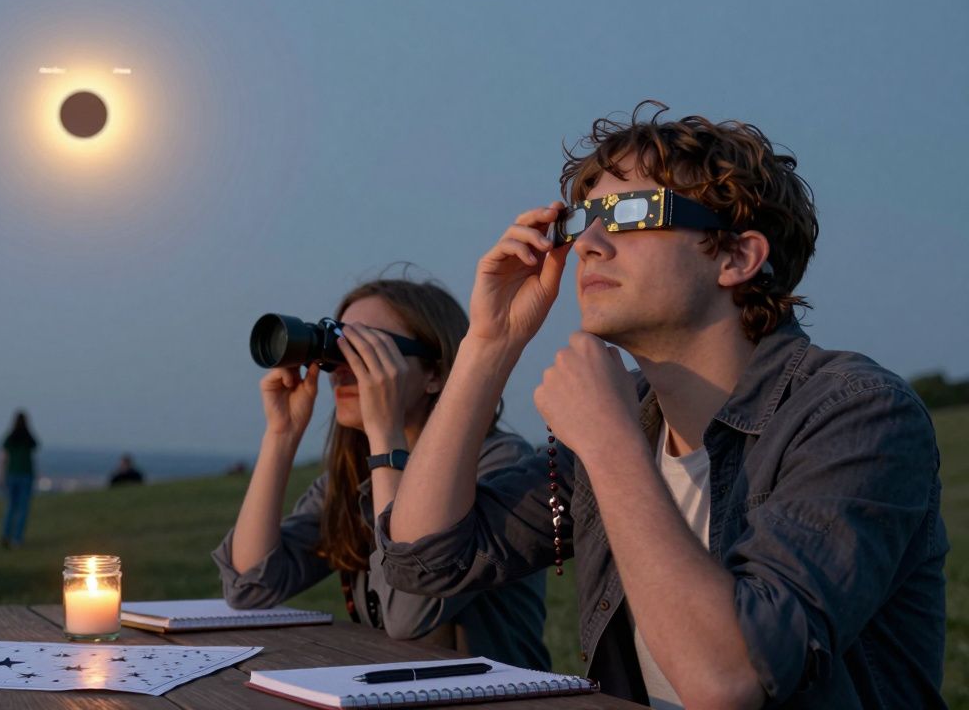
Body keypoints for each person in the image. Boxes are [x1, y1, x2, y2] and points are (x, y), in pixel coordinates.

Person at [378, 103, 948, 707]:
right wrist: (488, 346)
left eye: (629, 214)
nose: (589, 245)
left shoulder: (858, 414)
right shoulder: (632, 416)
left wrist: (608, 443)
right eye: (584, 219)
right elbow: (425, 563)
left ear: (737, 257)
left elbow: (729, 680)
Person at [214, 278, 551, 670]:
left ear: (436, 374)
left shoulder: (496, 463)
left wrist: (385, 434)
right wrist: (281, 435)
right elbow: (250, 586)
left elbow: (407, 615)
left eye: (366, 351)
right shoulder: (355, 474)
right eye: (335, 348)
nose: (341, 370)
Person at [0, 410, 39, 548]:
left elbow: (3, 458)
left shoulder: (10, 438)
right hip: (26, 474)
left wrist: (1, 475)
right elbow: (33, 454)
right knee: (23, 508)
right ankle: (17, 538)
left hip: (12, 474)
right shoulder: (28, 438)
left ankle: (5, 534)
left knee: (10, 507)